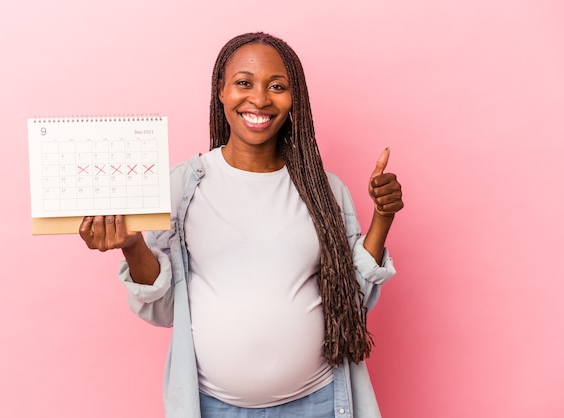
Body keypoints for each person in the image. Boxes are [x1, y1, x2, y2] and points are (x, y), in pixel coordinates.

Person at [79, 32, 404, 418]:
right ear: (221, 91)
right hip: (214, 407)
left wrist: (382, 217)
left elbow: (352, 302)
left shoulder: (325, 190)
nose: (260, 99)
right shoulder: (182, 187)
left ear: (294, 97)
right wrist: (132, 246)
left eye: (277, 86)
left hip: (318, 402)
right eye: (244, 83)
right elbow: (165, 310)